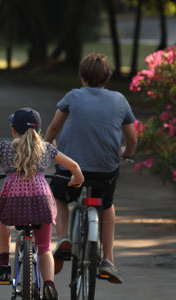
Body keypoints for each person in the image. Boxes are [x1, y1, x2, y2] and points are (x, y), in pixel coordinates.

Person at [0, 108, 84, 300]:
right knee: (44, 248)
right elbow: (74, 166)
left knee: (1, 218)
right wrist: (77, 179)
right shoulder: (46, 148)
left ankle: (4, 266)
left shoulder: (3, 148)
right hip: (42, 203)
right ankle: (49, 284)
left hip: (13, 203)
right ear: (38, 131)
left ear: (14, 130)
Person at [45, 53, 137, 284]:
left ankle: (64, 238)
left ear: (82, 77)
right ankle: (108, 259)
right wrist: (126, 154)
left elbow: (54, 127)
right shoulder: (120, 100)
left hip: (70, 169)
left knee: (60, 196)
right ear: (107, 77)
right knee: (107, 206)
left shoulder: (73, 96)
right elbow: (132, 139)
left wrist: (48, 145)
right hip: (104, 172)